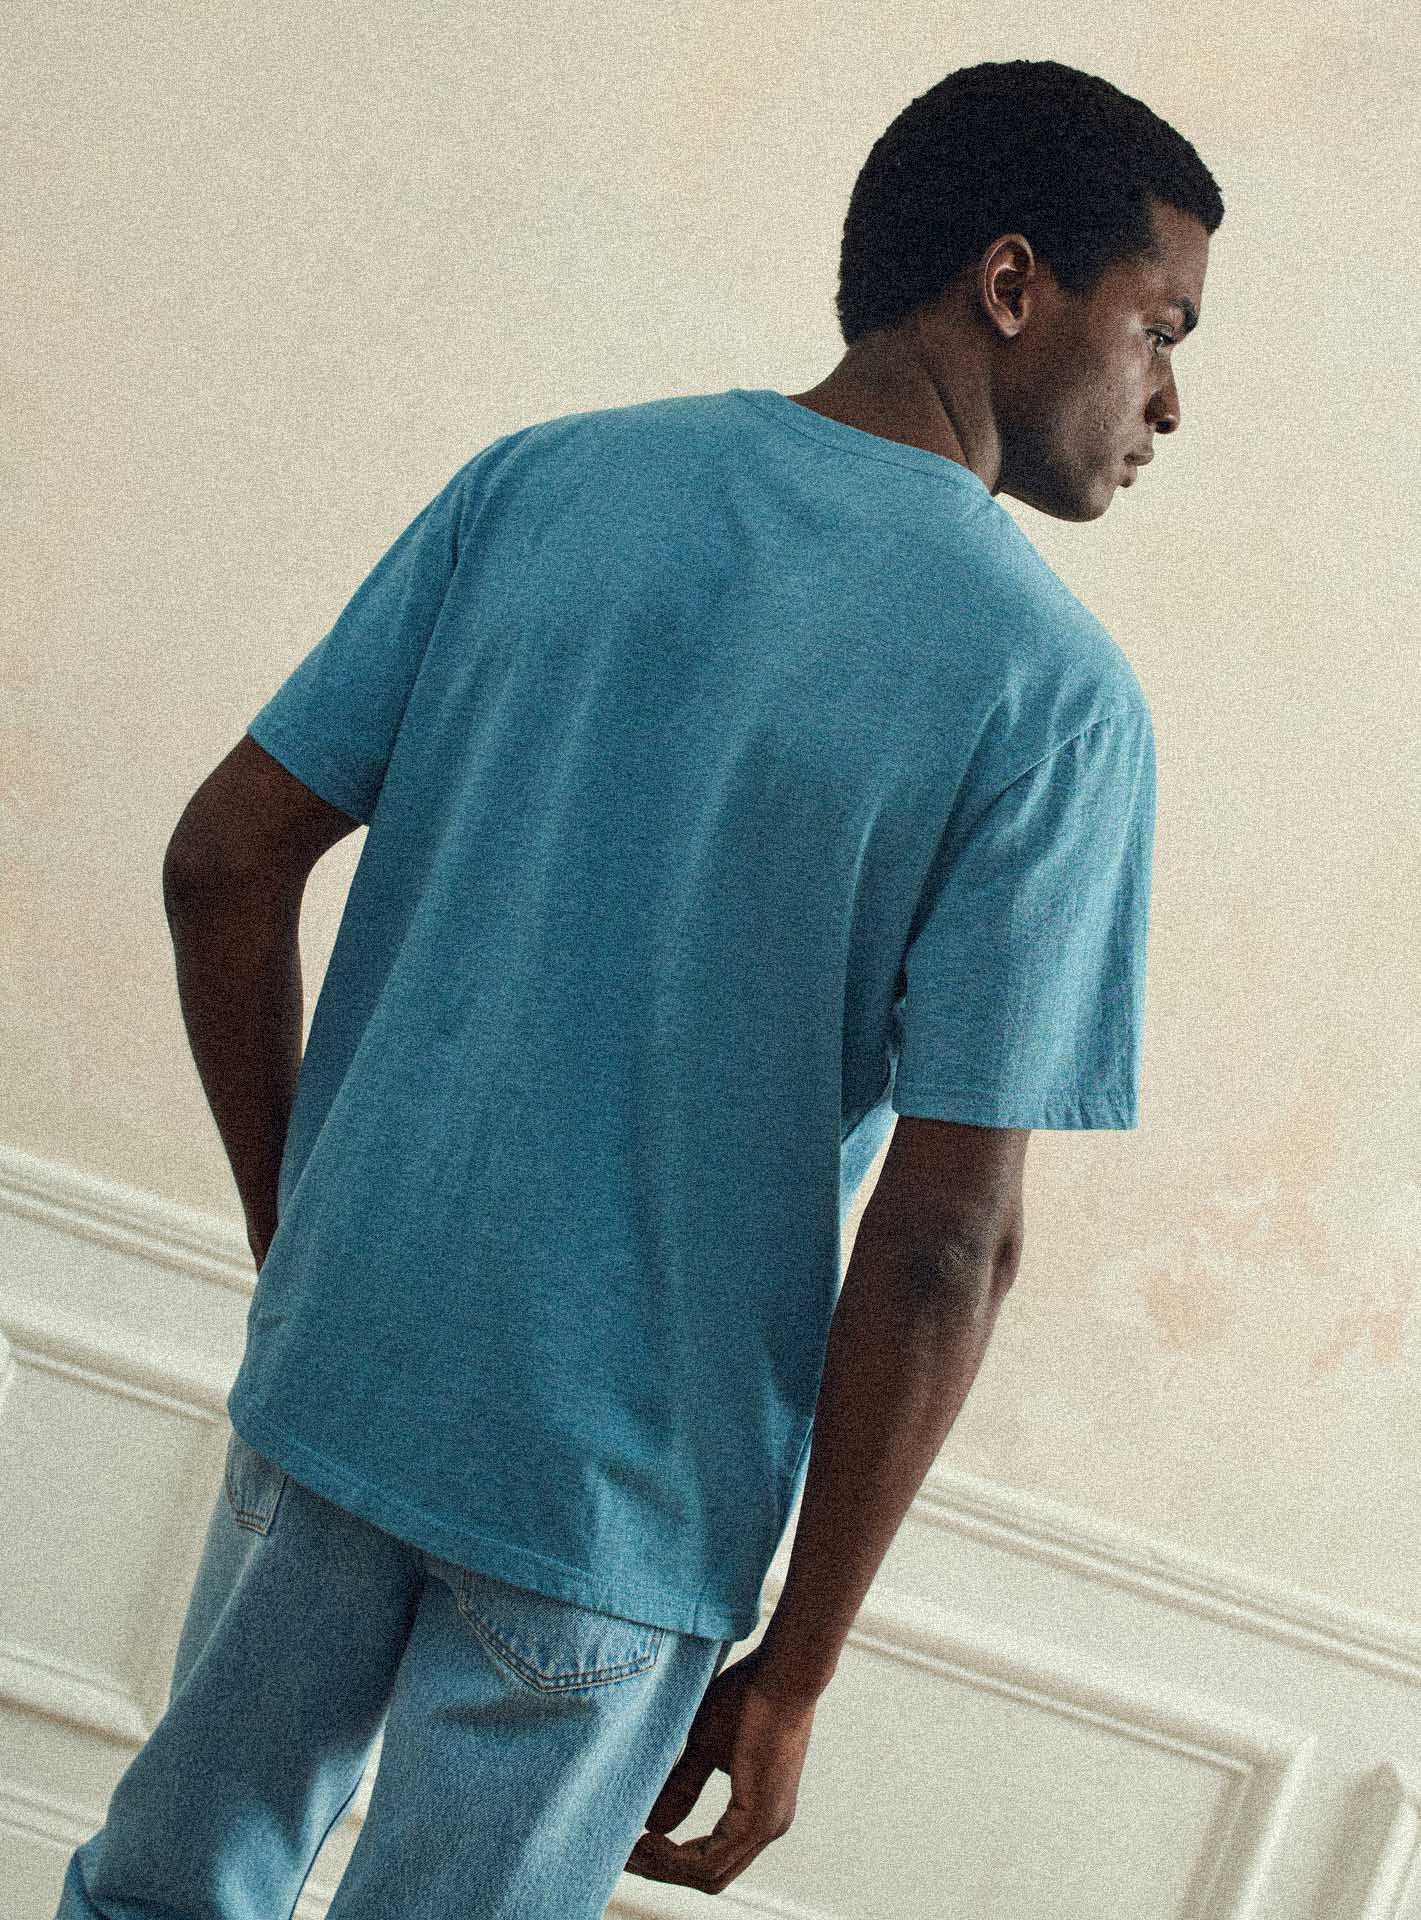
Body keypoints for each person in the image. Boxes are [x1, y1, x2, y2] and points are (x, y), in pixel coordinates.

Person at [56, 54, 1222, 1920]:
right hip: (614, 1506)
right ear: (1012, 285)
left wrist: (307, 1238)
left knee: (157, 1894)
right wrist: (797, 1671)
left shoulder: (545, 482)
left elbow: (223, 862)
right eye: (1159, 328)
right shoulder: (1047, 698)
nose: (1168, 400)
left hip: (341, 1379)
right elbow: (945, 1241)